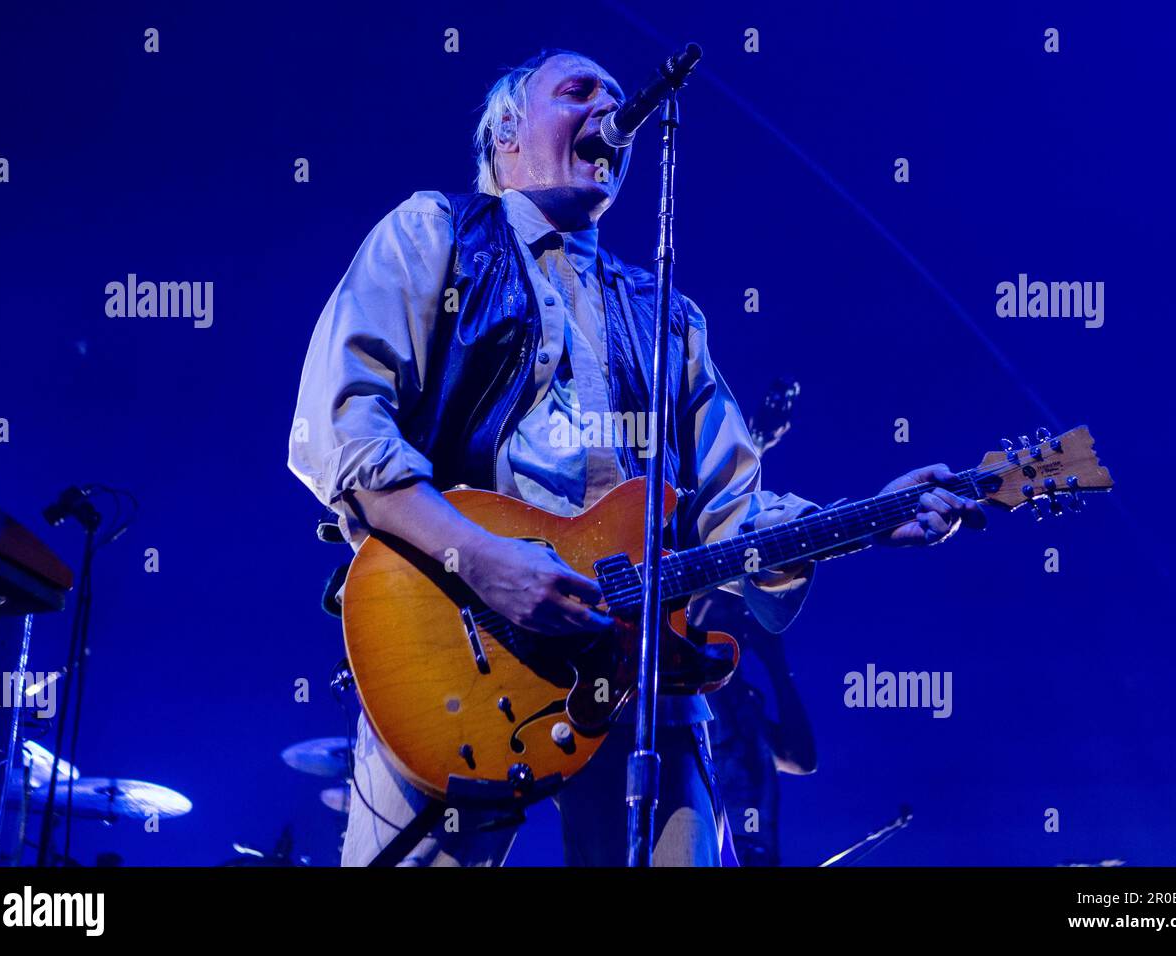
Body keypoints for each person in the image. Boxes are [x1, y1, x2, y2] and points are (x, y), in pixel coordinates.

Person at [287, 48, 984, 867]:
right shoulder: (433, 232)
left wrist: (868, 520)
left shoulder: (666, 315)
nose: (609, 109)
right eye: (576, 92)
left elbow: (735, 514)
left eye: (616, 99)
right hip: (453, 640)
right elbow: (344, 427)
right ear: (506, 132)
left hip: (638, 654)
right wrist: (484, 560)